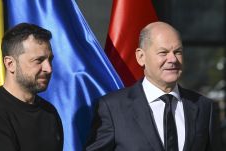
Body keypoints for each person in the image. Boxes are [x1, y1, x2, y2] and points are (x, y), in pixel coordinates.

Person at [85, 22, 222, 151]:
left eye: (178, 52)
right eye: (163, 52)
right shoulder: (112, 108)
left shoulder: (204, 107)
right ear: (141, 57)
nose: (173, 59)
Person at [0, 23, 63, 151]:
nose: (48, 69)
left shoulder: (49, 113)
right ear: (10, 64)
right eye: (38, 60)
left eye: (50, 60)